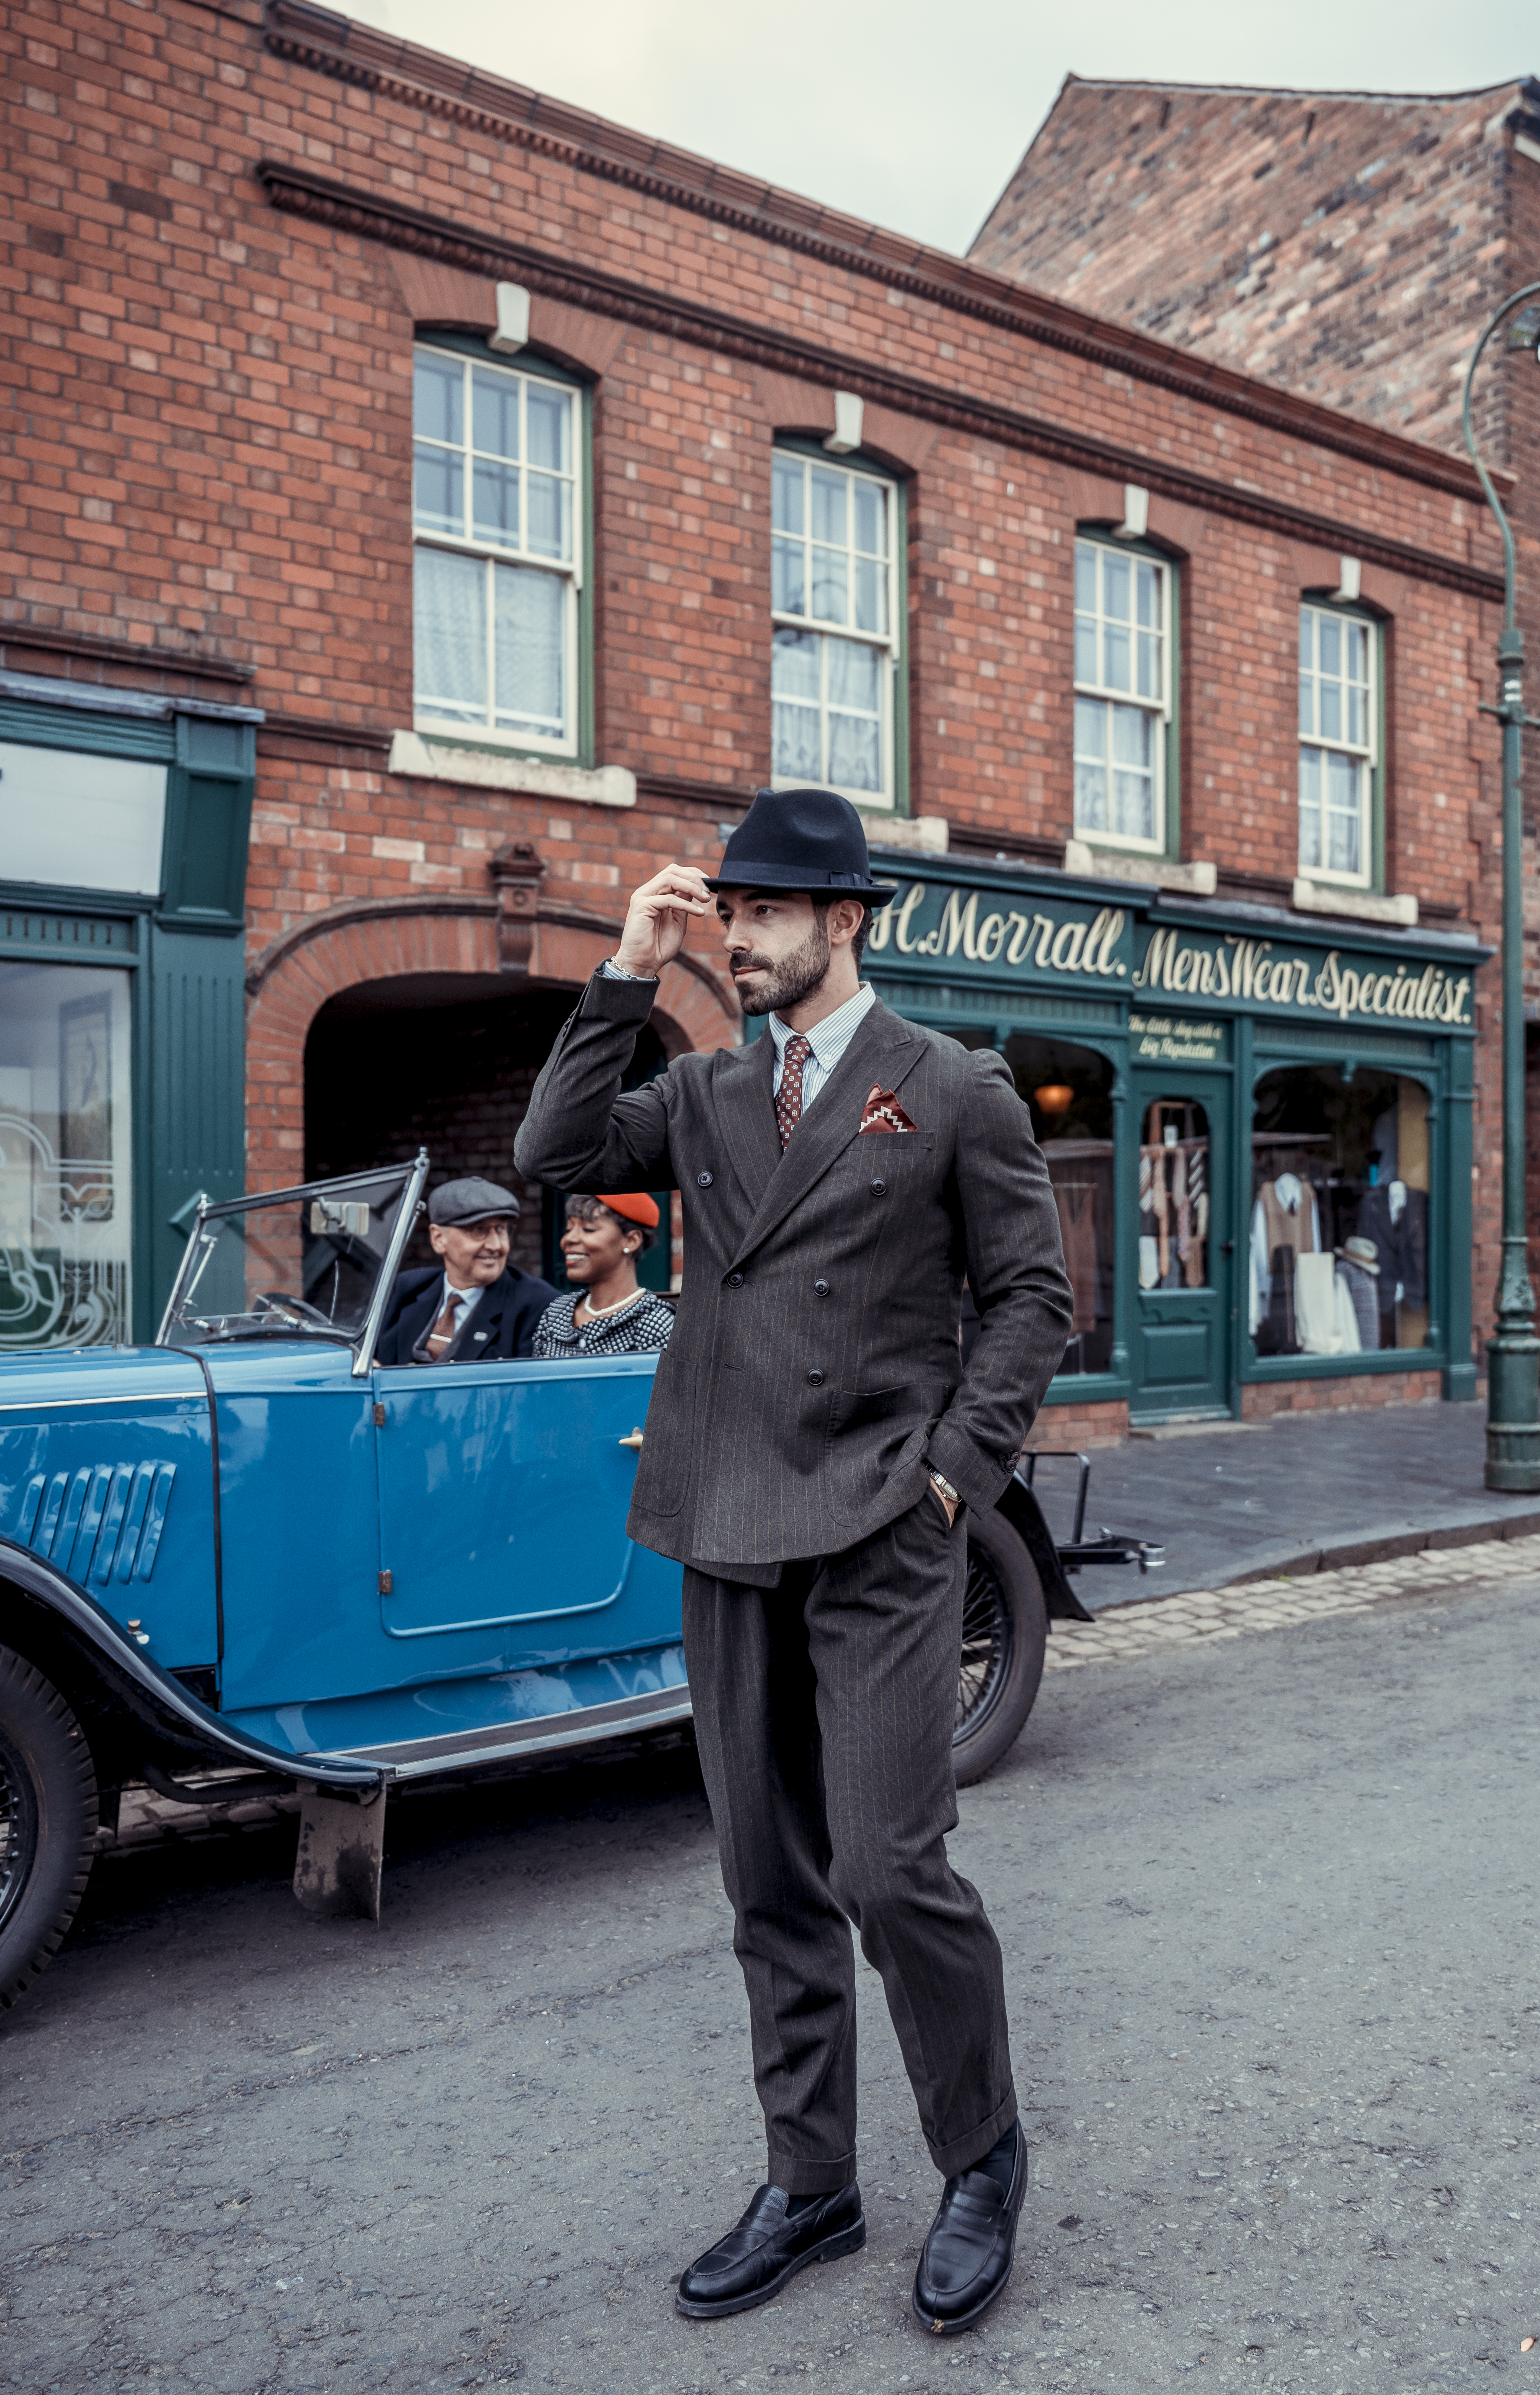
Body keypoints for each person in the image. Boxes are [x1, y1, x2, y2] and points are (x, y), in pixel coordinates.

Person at [515, 787, 1072, 2338]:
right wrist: (626, 970)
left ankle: (978, 2160)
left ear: (842, 920)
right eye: (725, 913)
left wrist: (955, 1479)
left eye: (760, 916)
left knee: (892, 1867)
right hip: (725, 1518)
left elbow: (1033, 1302)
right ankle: (811, 2179)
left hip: (882, 1524)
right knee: (765, 1875)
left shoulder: (949, 1089)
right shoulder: (701, 1092)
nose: (735, 939)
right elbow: (553, 1149)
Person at [373, 1176, 558, 1366]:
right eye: (478, 1230)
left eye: (502, 1230)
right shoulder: (404, 1289)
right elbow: (355, 1347)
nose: (496, 1246)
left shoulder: (539, 1305)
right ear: (438, 1239)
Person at [533, 1192, 676, 1357]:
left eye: (588, 1229)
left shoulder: (656, 1324)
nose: (568, 1239)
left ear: (631, 1241)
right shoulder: (556, 1314)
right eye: (569, 1229)